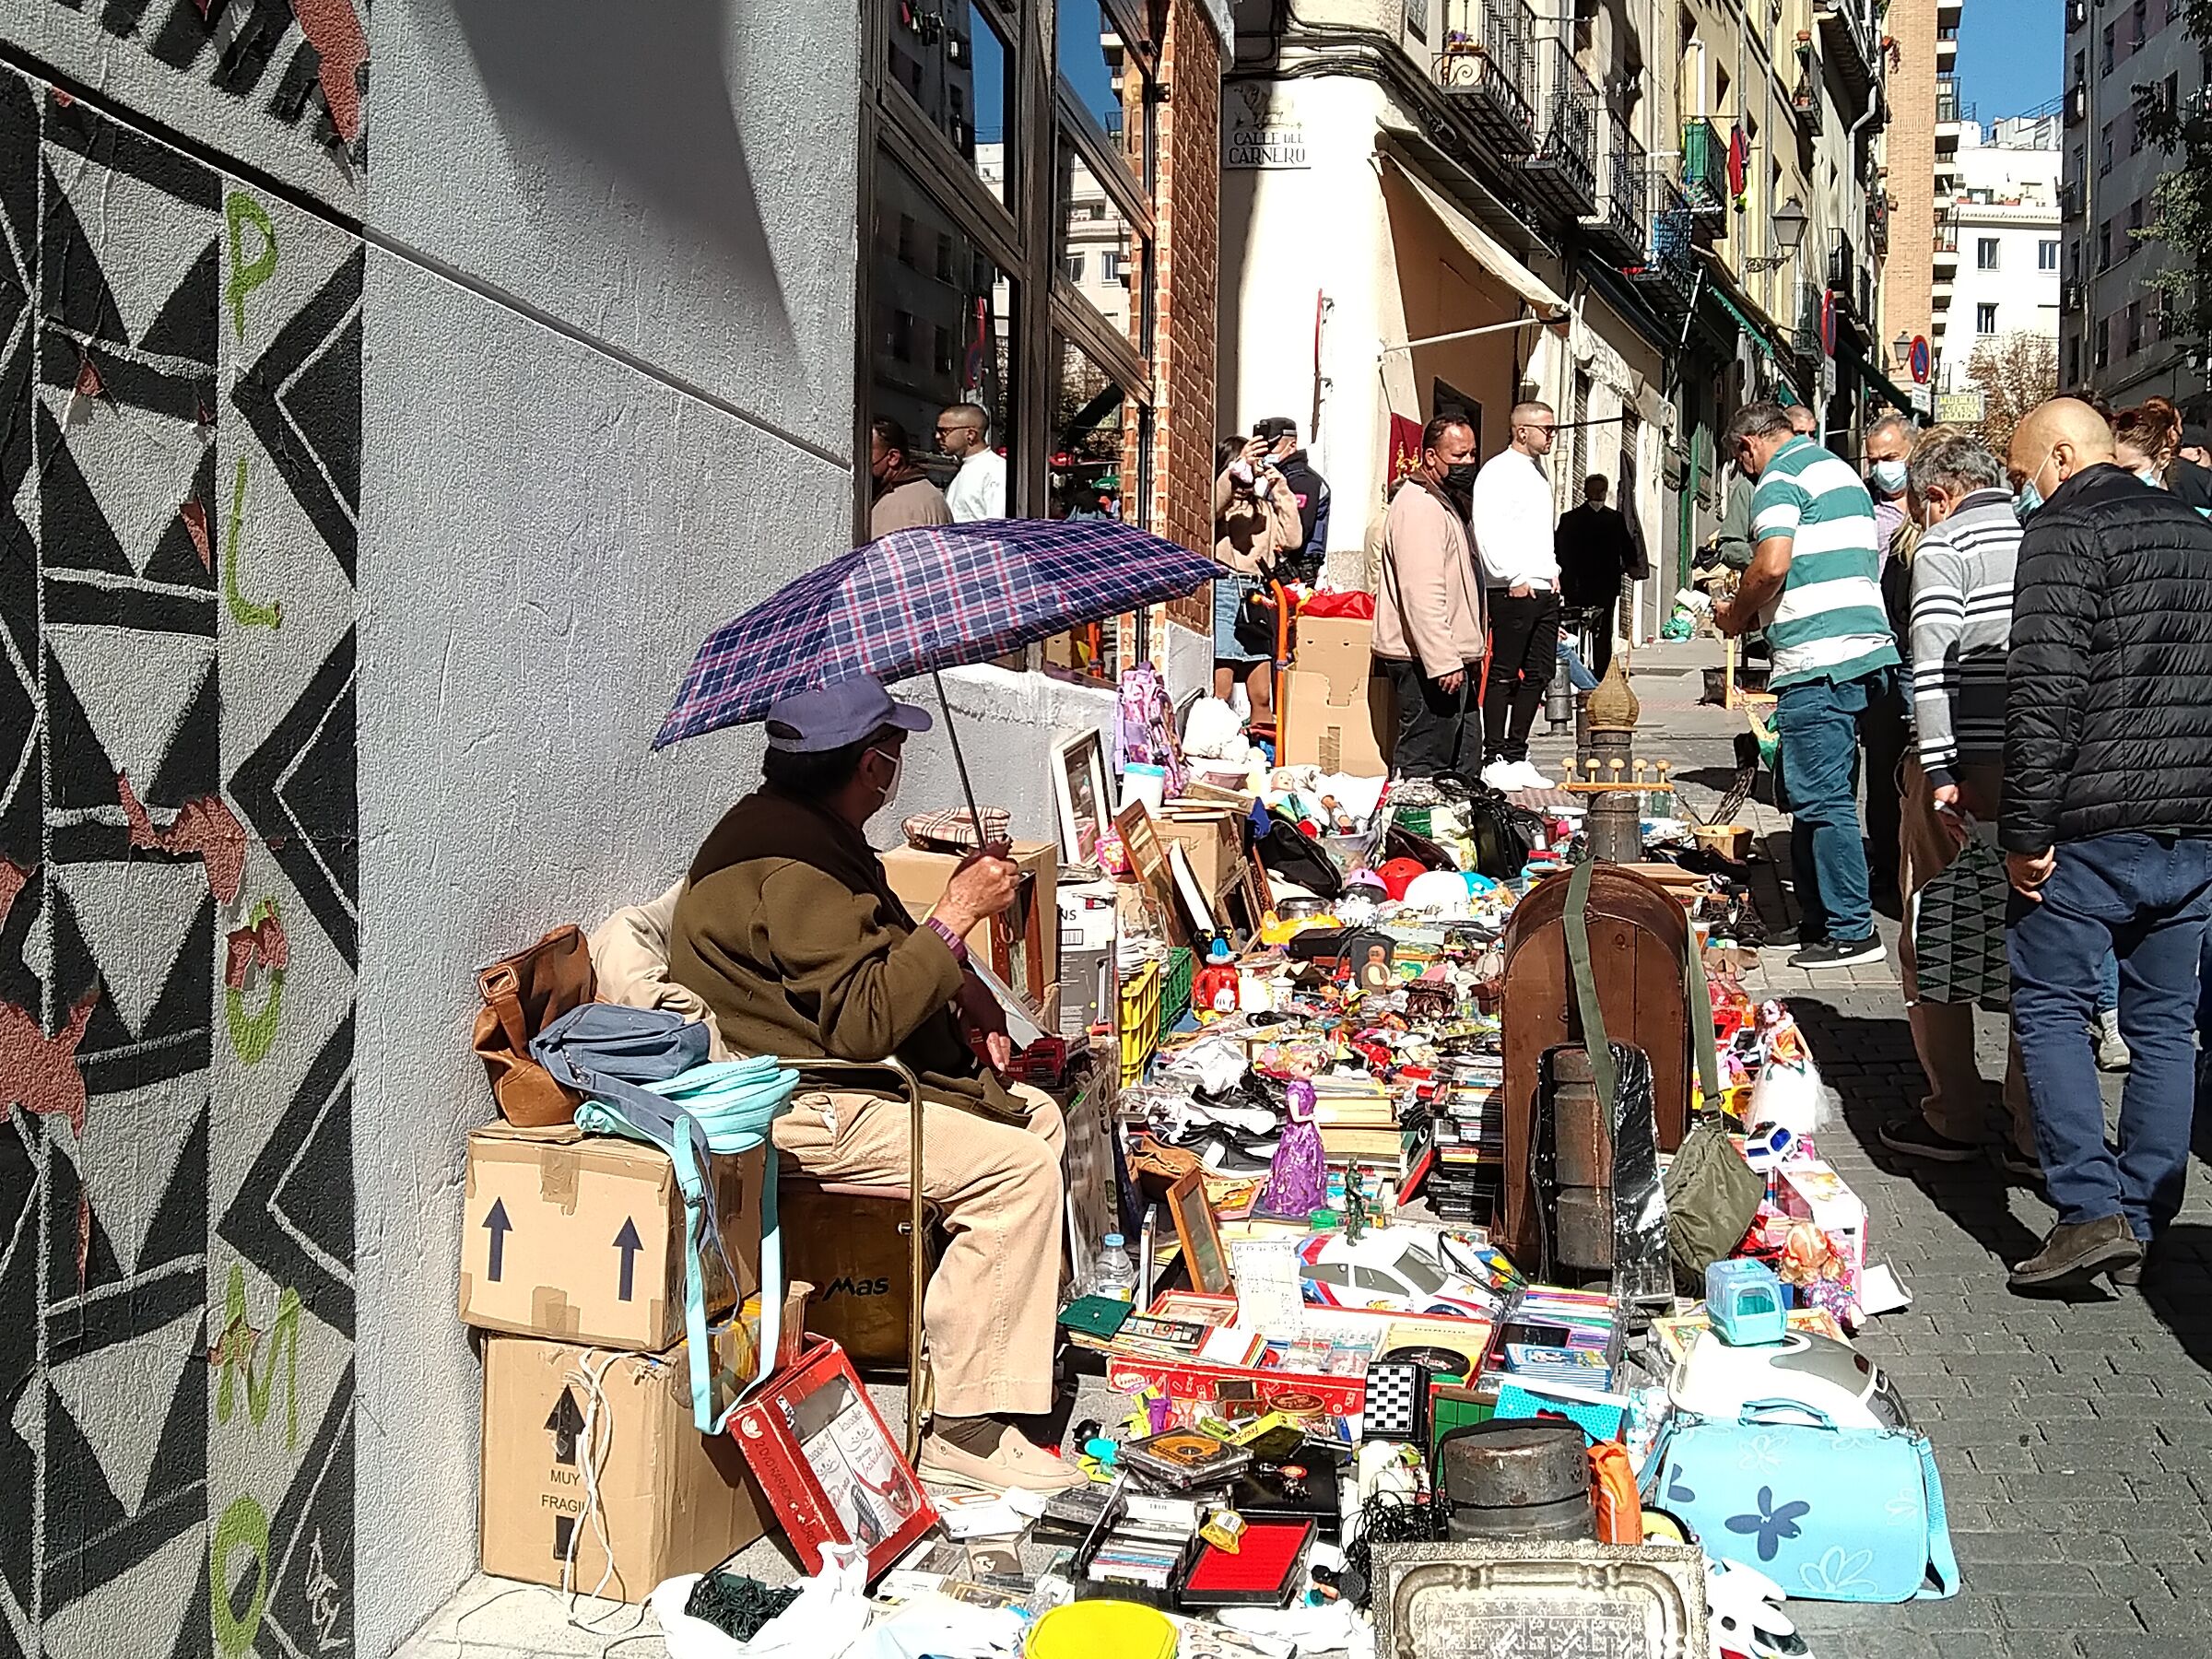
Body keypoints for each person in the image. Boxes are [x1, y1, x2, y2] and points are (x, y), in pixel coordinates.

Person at [667, 677, 1083, 1491]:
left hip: (839, 1074)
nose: (896, 767)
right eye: (892, 753)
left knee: (1036, 1115)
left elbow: (881, 943)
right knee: (1018, 1172)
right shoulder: (794, 867)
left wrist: (958, 983)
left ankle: (990, 1349)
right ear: (869, 766)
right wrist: (956, 914)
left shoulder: (807, 829)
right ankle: (962, 1425)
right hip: (808, 1101)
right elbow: (860, 1024)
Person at [2002, 398, 2212, 1291]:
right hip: (2190, 824)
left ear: (2061, 454)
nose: (2024, 492)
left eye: (2024, 475)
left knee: (2051, 1004)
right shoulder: (2200, 533)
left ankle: (2090, 1211)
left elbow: (2043, 692)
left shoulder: (2062, 531)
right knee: (2167, 1024)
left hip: (2090, 823)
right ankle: (2147, 1211)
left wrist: (2024, 832)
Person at [1874, 428, 2034, 1173]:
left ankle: (1956, 1113)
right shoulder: (2043, 535)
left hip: (1965, 770)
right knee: (2035, 947)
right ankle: (2037, 1128)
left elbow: (1932, 665)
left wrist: (1938, 770)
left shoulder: (1946, 547)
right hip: (2037, 772)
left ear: (1937, 495)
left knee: (1930, 935)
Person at [1713, 402, 1900, 970]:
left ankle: (1850, 929)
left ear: (1749, 446)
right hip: (1861, 651)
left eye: (1738, 461)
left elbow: (1770, 566)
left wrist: (1736, 614)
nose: (1743, 473)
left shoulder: (1778, 479)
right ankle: (1816, 920)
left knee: (1821, 799)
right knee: (1813, 792)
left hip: (1818, 657)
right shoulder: (1837, 470)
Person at [1374, 415, 1487, 778]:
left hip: (1452, 657)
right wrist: (1442, 659)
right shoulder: (1420, 506)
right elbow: (1421, 590)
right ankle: (1412, 829)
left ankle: (1453, 828)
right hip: (1428, 661)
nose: (1467, 463)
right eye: (1458, 456)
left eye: (1472, 454)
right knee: (1426, 761)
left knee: (1463, 759)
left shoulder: (1445, 501)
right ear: (1430, 457)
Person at [1470, 402, 1562, 791]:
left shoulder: (1540, 472)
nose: (1551, 435)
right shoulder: (1497, 471)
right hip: (1514, 587)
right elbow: (1487, 528)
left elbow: (1540, 530)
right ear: (1521, 431)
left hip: (1544, 585)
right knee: (1505, 672)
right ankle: (1493, 755)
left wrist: (1552, 570)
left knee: (1540, 671)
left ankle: (1517, 750)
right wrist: (1510, 575)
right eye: (1545, 429)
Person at [1860, 414, 1919, 910]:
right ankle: (1884, 861)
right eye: (1875, 461)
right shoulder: (1862, 509)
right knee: (1882, 770)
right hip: (1876, 654)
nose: (1882, 470)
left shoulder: (1928, 515)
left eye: (1891, 459)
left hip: (1913, 653)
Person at [1211, 434, 1303, 724]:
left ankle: (1261, 753)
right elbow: (1210, 507)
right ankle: (1213, 747)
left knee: (1262, 692)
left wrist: (1281, 489)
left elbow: (1292, 539)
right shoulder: (1221, 506)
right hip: (1225, 588)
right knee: (1221, 688)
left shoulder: (1262, 508)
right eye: (1242, 467)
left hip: (1257, 594)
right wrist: (1235, 470)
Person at [1555, 474, 1644, 681]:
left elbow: (1628, 548)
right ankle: (1582, 674)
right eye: (1594, 490)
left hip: (1599, 587)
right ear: (1586, 492)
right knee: (1579, 632)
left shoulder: (1614, 519)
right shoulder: (1572, 519)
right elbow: (1560, 551)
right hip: (1579, 587)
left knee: (1602, 633)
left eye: (1600, 490)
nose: (1597, 494)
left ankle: (1598, 676)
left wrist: (1632, 567)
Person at [1254, 416, 1332, 582]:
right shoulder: (1282, 476)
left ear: (1292, 445)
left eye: (1273, 446)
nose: (1267, 451)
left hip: (1297, 571)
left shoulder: (1302, 481)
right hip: (1283, 569)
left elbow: (1296, 530)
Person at [867, 417, 953, 538]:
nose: (861, 462)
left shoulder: (897, 505)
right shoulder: (927, 492)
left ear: (893, 458)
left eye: (866, 453)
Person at [937, 404, 1007, 522]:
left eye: (944, 431)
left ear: (970, 434)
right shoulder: (963, 469)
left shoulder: (996, 470)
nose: (938, 436)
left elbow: (998, 525)